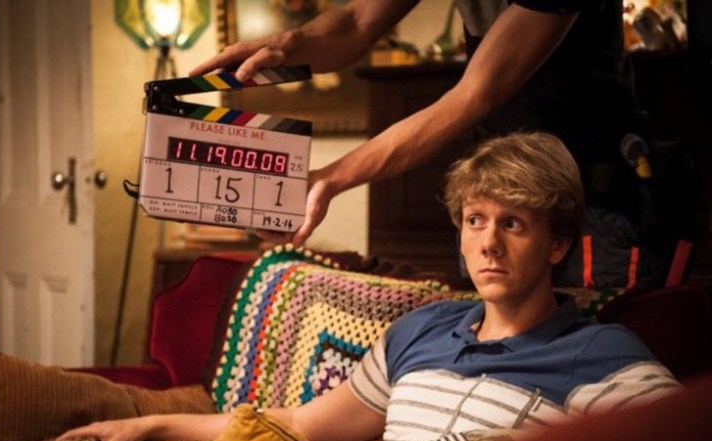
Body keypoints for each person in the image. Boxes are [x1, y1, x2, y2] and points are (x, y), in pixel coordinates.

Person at [59, 132, 679, 441]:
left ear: (558, 243)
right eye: (475, 220)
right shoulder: (422, 332)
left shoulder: (595, 352)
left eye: (513, 224)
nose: (488, 243)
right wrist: (151, 425)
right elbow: (298, 425)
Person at [189, 0, 646, 253]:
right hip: (498, 185)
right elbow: (355, 22)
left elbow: (473, 94)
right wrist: (287, 45)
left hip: (589, 196)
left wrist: (329, 178)